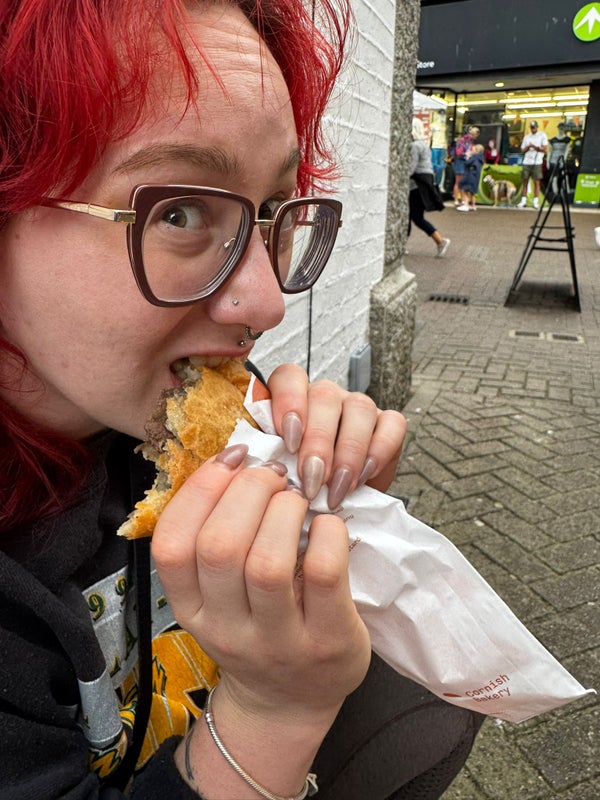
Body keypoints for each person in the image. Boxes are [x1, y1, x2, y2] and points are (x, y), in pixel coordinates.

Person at [0, 2, 484, 798]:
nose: (266, 302)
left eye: (268, 216)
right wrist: (274, 712)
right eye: (180, 213)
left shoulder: (173, 423)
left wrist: (321, 518)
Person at [409, 118, 451, 257]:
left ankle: (440, 241)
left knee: (415, 217)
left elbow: (411, 168)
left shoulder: (414, 146)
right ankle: (439, 241)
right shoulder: (424, 145)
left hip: (415, 186)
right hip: (424, 184)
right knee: (413, 216)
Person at [518, 120, 548, 209]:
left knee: (536, 182)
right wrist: (528, 147)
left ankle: (535, 201)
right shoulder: (527, 137)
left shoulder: (542, 135)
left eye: (534, 127)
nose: (533, 129)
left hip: (537, 161)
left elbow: (544, 149)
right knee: (525, 181)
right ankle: (523, 201)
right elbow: (522, 150)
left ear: (537, 127)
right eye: (531, 127)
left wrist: (535, 147)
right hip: (527, 161)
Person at [452, 126, 480, 205]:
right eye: (476, 135)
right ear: (473, 134)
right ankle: (456, 199)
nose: (476, 137)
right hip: (460, 161)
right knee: (458, 181)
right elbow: (458, 152)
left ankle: (463, 199)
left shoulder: (471, 141)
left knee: (464, 182)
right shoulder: (462, 140)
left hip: (466, 162)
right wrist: (466, 154)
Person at [457, 144, 485, 211]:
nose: (471, 151)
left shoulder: (474, 157)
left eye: (472, 150)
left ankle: (466, 205)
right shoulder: (480, 158)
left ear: (477, 151)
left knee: (464, 190)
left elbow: (467, 163)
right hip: (476, 177)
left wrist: (468, 157)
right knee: (473, 192)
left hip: (470, 176)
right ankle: (473, 205)